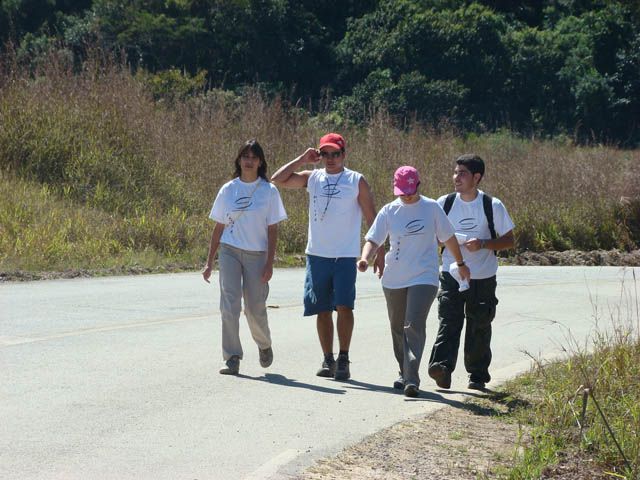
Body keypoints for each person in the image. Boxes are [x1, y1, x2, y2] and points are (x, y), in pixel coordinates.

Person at [271, 133, 384, 380]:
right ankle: (327, 359)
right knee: (322, 309)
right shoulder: (313, 178)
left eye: (335, 154)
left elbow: (372, 219)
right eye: (325, 154)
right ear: (319, 155)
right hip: (317, 254)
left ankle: (343, 357)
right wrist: (302, 159)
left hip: (345, 255)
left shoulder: (356, 180)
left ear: (344, 155)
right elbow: (278, 179)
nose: (330, 159)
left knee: (344, 306)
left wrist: (379, 252)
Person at [357, 166, 470, 397]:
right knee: (397, 328)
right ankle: (404, 370)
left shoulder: (431, 208)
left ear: (418, 185)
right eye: (402, 192)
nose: (407, 195)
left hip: (424, 276)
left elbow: (448, 238)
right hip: (394, 278)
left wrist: (460, 264)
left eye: (410, 190)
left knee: (413, 325)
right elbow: (373, 238)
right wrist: (364, 258)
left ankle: (411, 379)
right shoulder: (390, 211)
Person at [428, 154, 515, 391]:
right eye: (455, 172)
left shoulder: (491, 205)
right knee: (449, 320)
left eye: (463, 173)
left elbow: (509, 240)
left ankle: (477, 376)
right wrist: (443, 241)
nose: (456, 177)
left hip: (483, 276)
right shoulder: (443, 203)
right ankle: (441, 369)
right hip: (451, 273)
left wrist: (484, 244)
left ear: (477, 177)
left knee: (479, 324)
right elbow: (433, 237)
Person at [202, 139, 287, 375]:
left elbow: (272, 229)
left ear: (260, 162)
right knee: (229, 305)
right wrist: (209, 261)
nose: (249, 161)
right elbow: (219, 226)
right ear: (239, 160)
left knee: (254, 308)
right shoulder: (228, 189)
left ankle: (264, 344)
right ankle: (232, 357)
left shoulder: (269, 191)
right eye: (245, 157)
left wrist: (269, 263)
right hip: (229, 250)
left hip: (257, 254)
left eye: (253, 157)